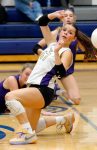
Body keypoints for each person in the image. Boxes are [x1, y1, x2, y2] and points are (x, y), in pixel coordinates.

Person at [5, 12, 79, 145]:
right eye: (64, 30)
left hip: (44, 90)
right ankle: (64, 119)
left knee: (10, 97)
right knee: (33, 127)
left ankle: (27, 134)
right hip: (34, 88)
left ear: (73, 38)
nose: (65, 33)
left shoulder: (66, 52)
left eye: (70, 33)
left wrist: (57, 52)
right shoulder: (51, 44)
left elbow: (61, 73)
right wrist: (54, 14)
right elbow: (43, 22)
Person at [33, 9, 97, 106]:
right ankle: (51, 89)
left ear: (74, 18)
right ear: (61, 18)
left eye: (70, 15)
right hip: (50, 69)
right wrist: (44, 55)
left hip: (64, 70)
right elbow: (36, 47)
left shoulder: (76, 35)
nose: (68, 17)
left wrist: (93, 53)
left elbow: (87, 50)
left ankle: (57, 91)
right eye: (66, 15)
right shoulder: (55, 33)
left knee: (76, 100)